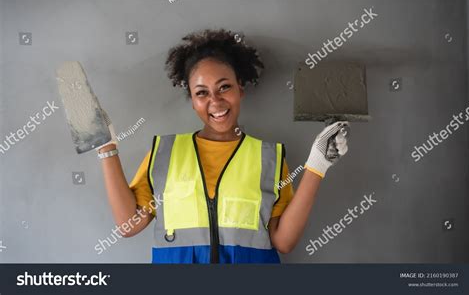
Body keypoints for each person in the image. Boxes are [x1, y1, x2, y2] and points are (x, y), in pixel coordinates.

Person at [97, 29, 349, 264]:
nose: (215, 102)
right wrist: (106, 147)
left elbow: (283, 242)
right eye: (202, 93)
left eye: (224, 87)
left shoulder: (268, 157)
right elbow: (128, 225)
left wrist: (317, 165)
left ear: (240, 89)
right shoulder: (165, 152)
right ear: (193, 101)